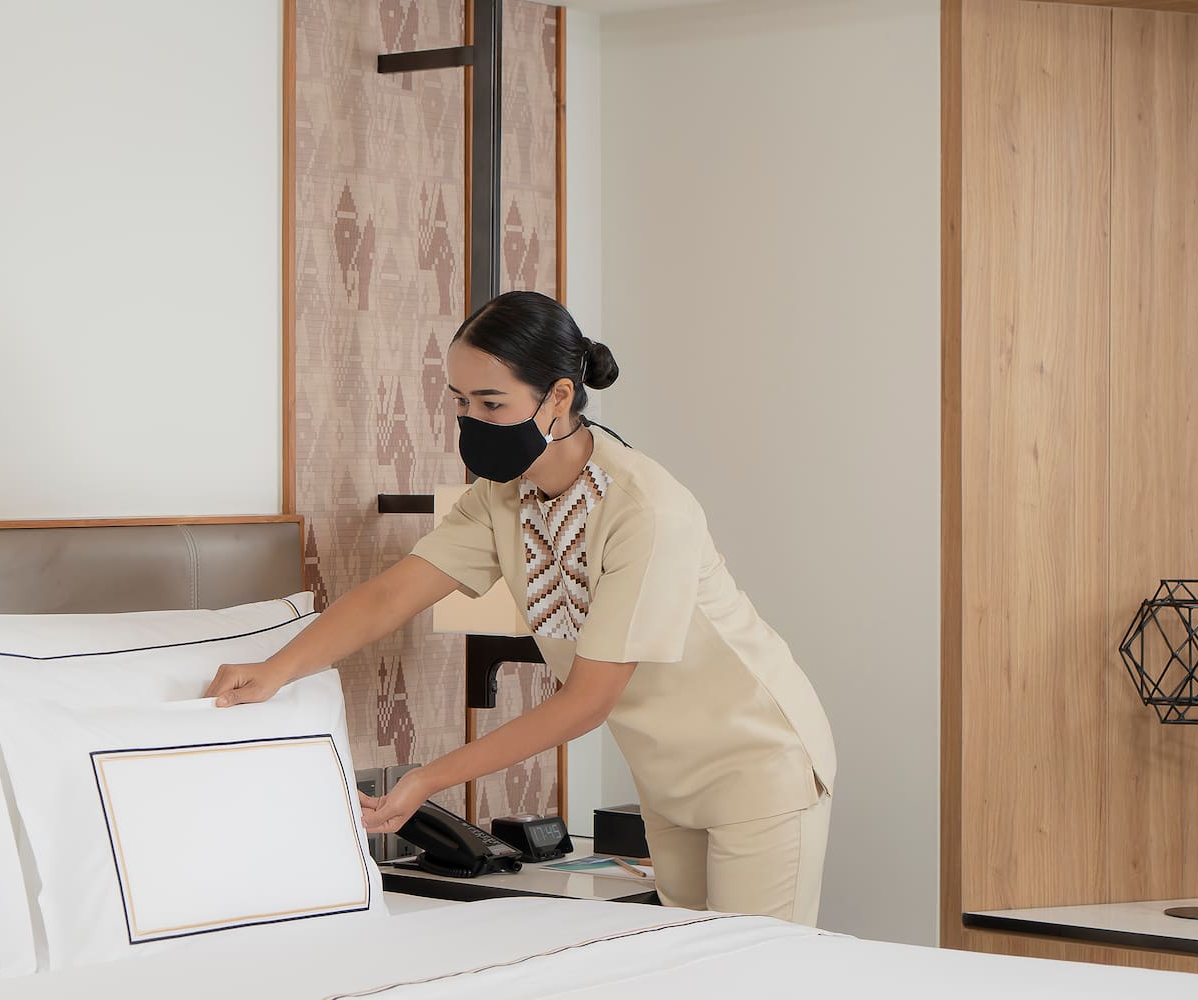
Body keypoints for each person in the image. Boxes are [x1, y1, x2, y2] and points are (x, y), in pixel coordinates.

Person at [205, 290, 836, 926]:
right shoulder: (501, 496)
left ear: (558, 398)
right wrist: (276, 669)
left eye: (491, 403)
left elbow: (586, 701)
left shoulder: (644, 511)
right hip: (666, 778)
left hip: (754, 761)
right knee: (686, 967)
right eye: (460, 402)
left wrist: (425, 780)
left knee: (757, 975)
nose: (471, 420)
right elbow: (394, 594)